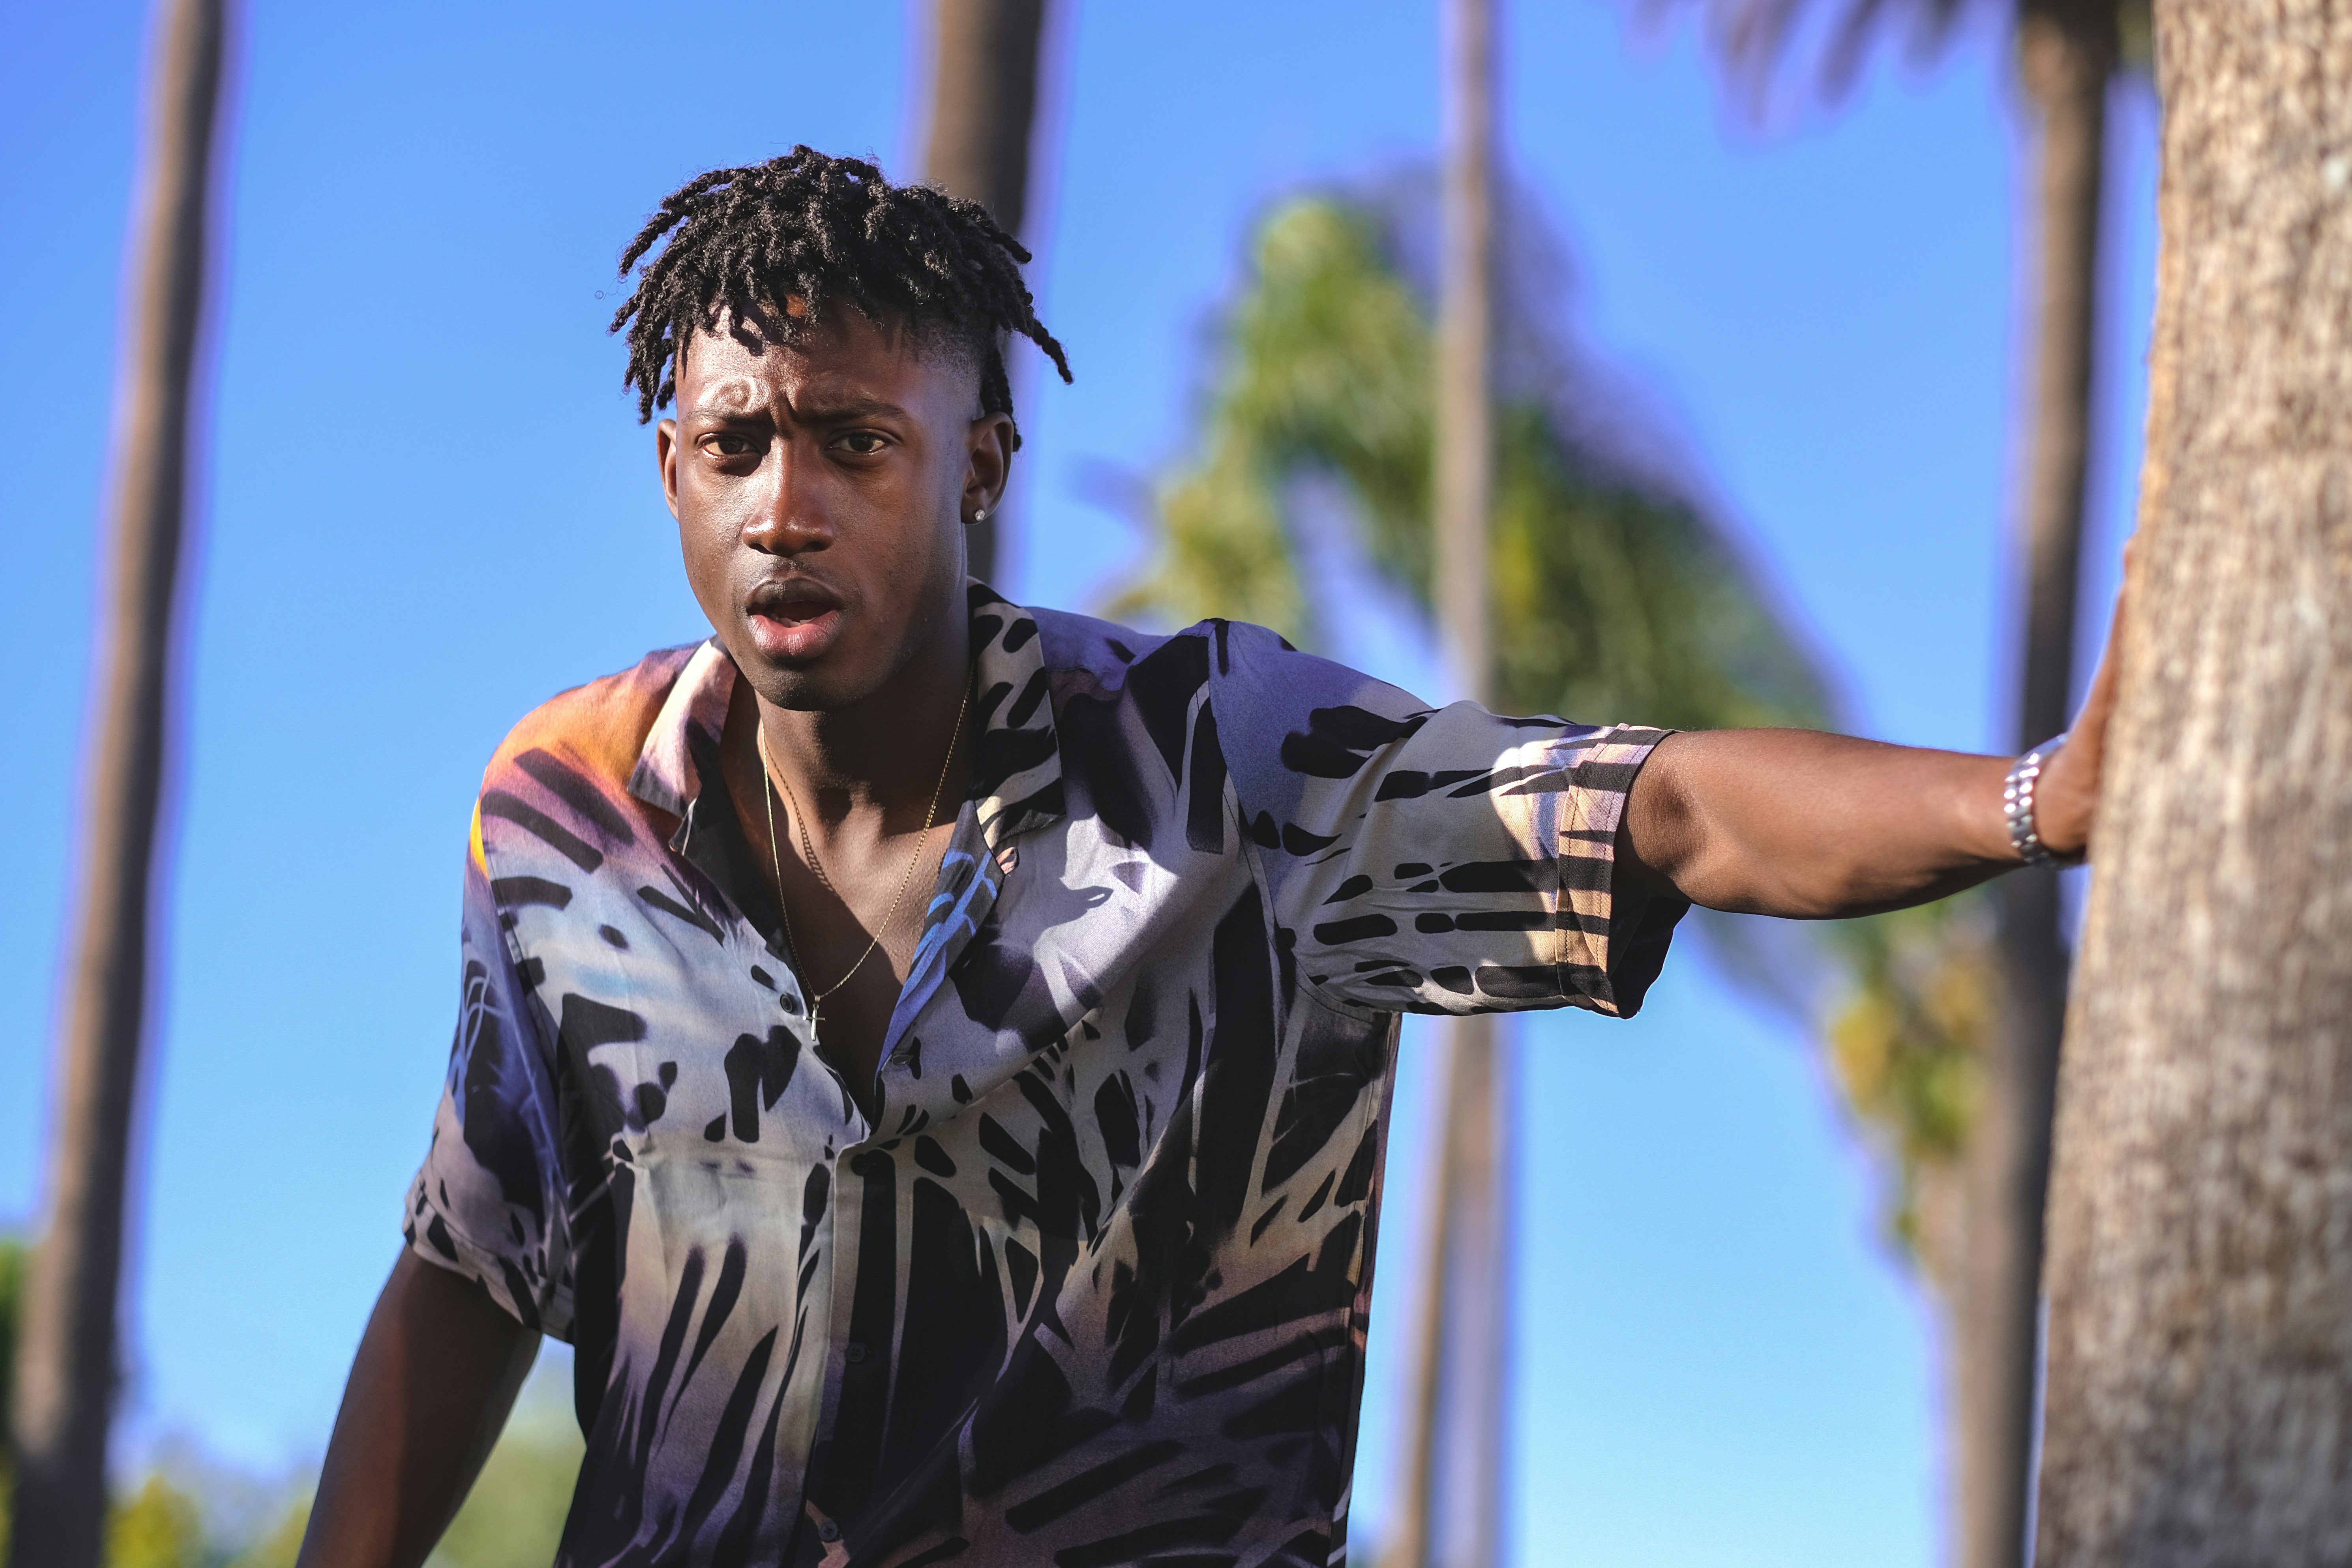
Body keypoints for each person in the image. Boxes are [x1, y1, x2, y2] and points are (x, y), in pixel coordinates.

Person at [297, 147, 2115, 1568]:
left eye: (857, 443)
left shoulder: (1216, 762)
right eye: (735, 445)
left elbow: (1656, 812)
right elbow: (476, 1260)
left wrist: (2038, 798)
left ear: (977, 467)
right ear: (672, 470)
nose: (786, 504)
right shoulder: (566, 814)